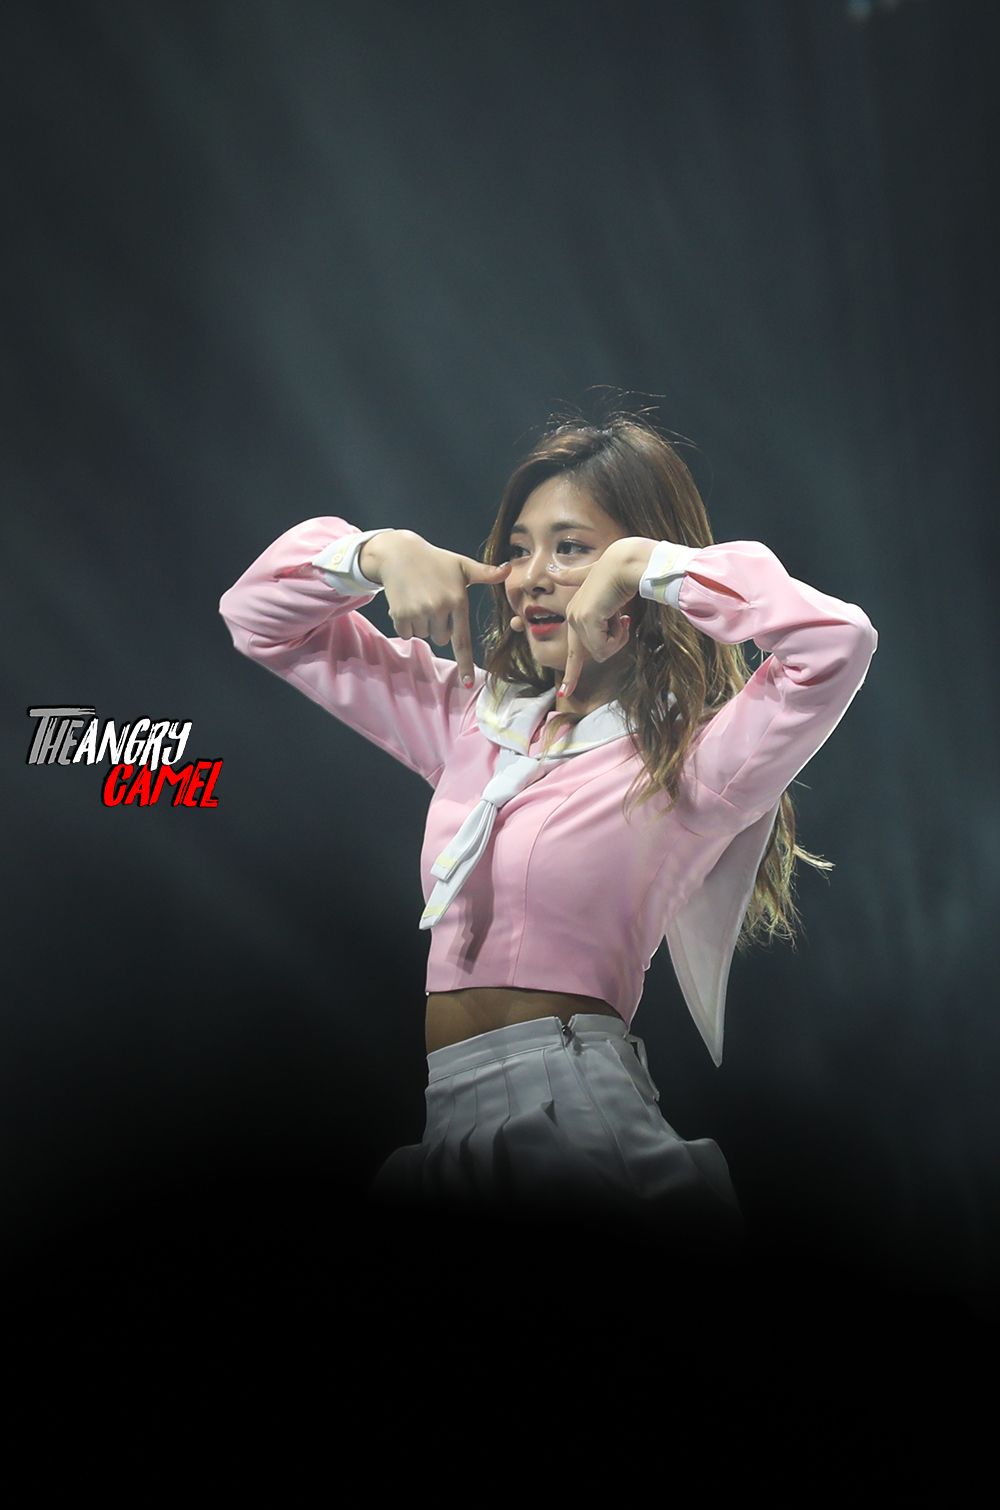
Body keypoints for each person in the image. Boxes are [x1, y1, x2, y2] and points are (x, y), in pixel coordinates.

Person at [219, 417, 876, 1242]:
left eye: (571, 548)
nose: (532, 577)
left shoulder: (695, 763)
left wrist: (648, 567)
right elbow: (256, 617)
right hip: (449, 1122)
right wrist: (376, 554)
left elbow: (837, 642)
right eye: (520, 548)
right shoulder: (471, 721)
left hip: (576, 1120)